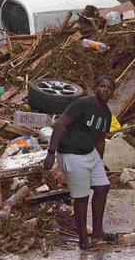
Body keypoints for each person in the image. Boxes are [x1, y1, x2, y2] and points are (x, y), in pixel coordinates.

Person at [44, 75, 118, 250]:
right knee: (82, 197)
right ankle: (84, 239)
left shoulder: (106, 114)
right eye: (102, 86)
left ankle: (98, 232)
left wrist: (99, 160)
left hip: (90, 153)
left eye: (109, 88)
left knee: (102, 188)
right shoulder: (82, 104)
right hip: (71, 154)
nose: (105, 90)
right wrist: (51, 153)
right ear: (95, 88)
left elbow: (100, 139)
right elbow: (60, 124)